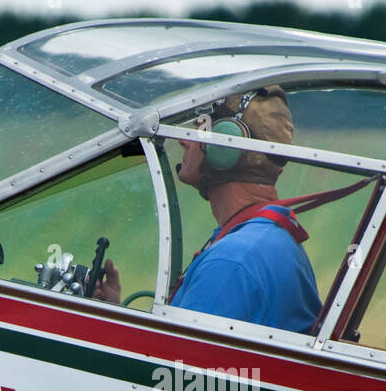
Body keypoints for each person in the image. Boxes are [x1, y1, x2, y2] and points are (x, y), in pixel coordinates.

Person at [96, 86, 321, 334]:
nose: (183, 140)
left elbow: (171, 368)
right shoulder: (268, 236)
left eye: (201, 130)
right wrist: (114, 313)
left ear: (225, 149)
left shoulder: (232, 260)